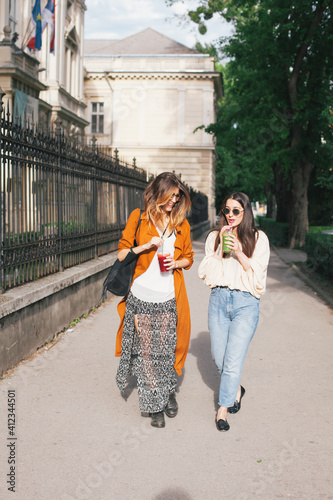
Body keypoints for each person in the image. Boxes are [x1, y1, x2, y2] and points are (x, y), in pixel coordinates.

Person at [115, 172, 194, 428]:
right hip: (142, 294)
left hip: (169, 295)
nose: (174, 201)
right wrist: (145, 246)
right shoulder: (139, 217)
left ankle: (168, 391)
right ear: (159, 192)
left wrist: (177, 262)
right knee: (149, 352)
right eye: (171, 196)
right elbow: (122, 253)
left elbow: (190, 258)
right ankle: (154, 406)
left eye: (177, 197)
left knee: (168, 349)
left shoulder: (181, 224)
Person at [198, 192, 270, 431]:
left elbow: (258, 278)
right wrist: (220, 246)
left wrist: (239, 251)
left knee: (232, 361)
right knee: (219, 358)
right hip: (219, 300)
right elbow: (207, 274)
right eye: (226, 210)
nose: (230, 215)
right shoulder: (214, 237)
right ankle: (237, 389)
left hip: (245, 304)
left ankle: (223, 409)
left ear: (245, 212)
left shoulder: (259, 239)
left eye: (235, 211)